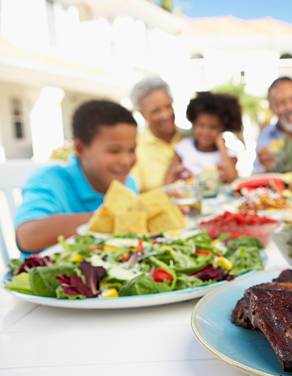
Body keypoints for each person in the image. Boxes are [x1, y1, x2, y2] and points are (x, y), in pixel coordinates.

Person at [15, 100, 138, 253]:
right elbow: (27, 236)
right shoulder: (50, 180)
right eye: (114, 151)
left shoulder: (128, 184)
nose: (126, 160)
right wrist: (111, 218)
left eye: (132, 150)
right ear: (80, 149)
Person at [165, 92, 241, 184]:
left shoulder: (227, 153)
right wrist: (176, 173)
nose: (206, 132)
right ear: (193, 124)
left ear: (223, 129)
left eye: (213, 127)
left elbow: (232, 179)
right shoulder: (184, 147)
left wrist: (221, 146)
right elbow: (167, 183)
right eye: (201, 125)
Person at [130, 76, 186, 192]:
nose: (166, 115)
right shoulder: (134, 148)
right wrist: (166, 189)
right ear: (142, 114)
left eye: (168, 106)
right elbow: (134, 200)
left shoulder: (191, 138)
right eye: (156, 111)